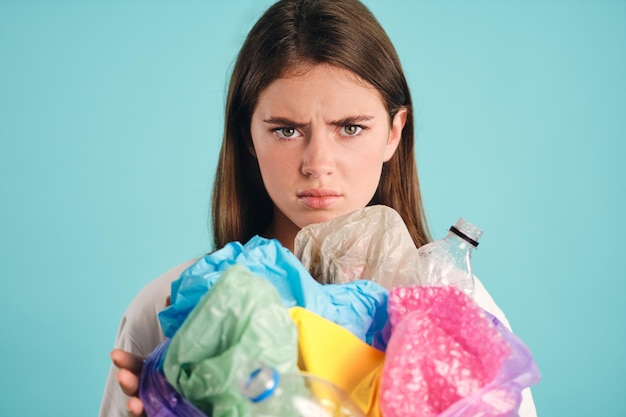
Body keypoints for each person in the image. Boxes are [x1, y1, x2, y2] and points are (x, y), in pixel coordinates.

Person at [99, 0, 537, 416]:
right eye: (286, 130)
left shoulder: (456, 312)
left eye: (350, 127)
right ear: (249, 135)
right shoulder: (168, 307)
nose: (317, 164)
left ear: (393, 132)